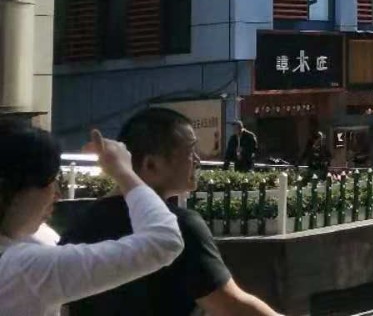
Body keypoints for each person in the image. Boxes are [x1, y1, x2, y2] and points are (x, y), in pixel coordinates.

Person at [62, 108, 282, 316]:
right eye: (190, 151)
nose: (197, 160)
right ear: (150, 165)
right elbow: (231, 307)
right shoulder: (179, 225)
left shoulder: (79, 224)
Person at [0, 120, 182, 316]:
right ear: (11, 191)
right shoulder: (26, 269)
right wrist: (124, 172)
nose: (56, 194)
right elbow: (164, 241)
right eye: (50, 181)